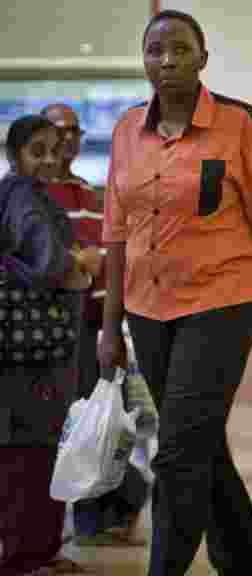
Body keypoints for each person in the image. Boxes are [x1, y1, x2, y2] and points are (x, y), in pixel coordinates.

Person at [97, 10, 252, 576]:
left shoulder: (240, 126)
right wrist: (109, 325)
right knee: (196, 439)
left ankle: (163, 569)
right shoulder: (126, 130)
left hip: (222, 301)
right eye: (154, 51)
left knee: (176, 449)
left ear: (202, 57)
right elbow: (114, 233)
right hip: (147, 306)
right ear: (143, 59)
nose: (166, 61)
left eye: (178, 49)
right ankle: (241, 557)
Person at [38, 103, 150, 549]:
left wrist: (110, 330)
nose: (65, 140)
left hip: (88, 331)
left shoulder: (89, 196)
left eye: (72, 131)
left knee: (99, 427)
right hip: (42, 334)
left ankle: (100, 518)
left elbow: (103, 268)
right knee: (57, 431)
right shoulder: (29, 196)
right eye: (55, 131)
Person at [0, 114, 93, 576]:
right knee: (29, 456)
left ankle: (37, 551)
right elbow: (50, 263)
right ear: (14, 154)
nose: (50, 160)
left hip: (31, 349)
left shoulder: (28, 195)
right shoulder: (22, 196)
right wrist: (82, 261)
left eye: (55, 150)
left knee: (34, 453)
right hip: (32, 356)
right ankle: (25, 557)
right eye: (37, 150)